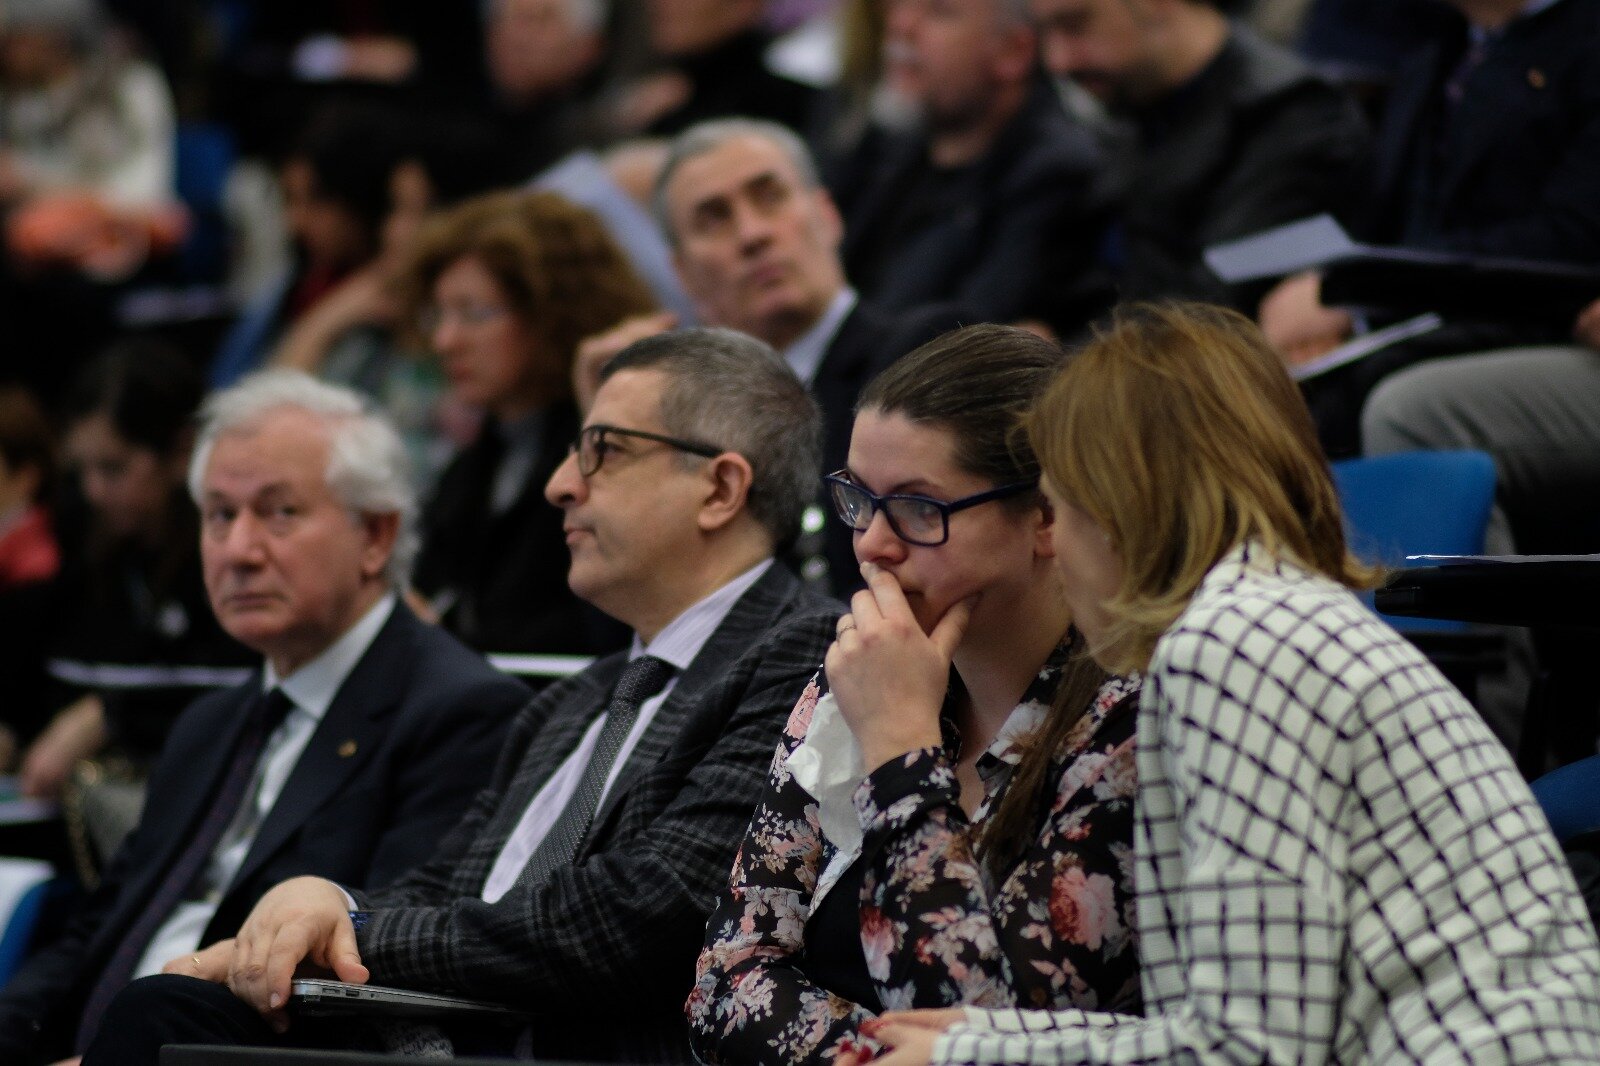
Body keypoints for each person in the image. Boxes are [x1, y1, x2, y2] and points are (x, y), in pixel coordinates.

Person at [862, 302, 1600, 1065]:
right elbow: (1232, 1028)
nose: (1060, 550)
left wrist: (971, 1057)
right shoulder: (1254, 622)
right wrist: (987, 1035)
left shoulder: (1229, 646)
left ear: (1120, 509)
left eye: (1060, 508)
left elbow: (1250, 1053)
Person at [82, 328, 841, 1065]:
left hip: (579, 1050)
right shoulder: (577, 699)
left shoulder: (804, 653)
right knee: (171, 1009)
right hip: (451, 1034)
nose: (560, 484)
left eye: (603, 451)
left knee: (161, 1020)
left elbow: (643, 914)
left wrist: (352, 931)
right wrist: (330, 902)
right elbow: (447, 885)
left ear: (720, 488)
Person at [0, 370, 525, 1064]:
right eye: (219, 515)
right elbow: (97, 933)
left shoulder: (460, 712)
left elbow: (387, 958)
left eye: (279, 513)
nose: (239, 551)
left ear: (375, 535)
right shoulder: (210, 723)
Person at [689, 325, 1142, 1065]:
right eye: (859, 499)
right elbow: (725, 980)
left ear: (1047, 516)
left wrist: (900, 752)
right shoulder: (860, 672)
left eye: (918, 509)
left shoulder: (1128, 722)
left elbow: (985, 1034)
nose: (872, 544)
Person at [584, 118, 960, 591]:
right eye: (714, 218)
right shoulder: (690, 431)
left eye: (770, 197)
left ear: (827, 216)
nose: (752, 234)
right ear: (683, 275)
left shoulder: (923, 353)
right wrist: (613, 439)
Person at [1257, 0, 1600, 452]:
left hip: (1520, 316)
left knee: (1362, 395)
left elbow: (1563, 242)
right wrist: (1335, 297)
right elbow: (1381, 218)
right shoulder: (1440, 51)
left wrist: (1357, 294)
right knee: (1241, 374)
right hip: (1418, 310)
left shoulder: (1584, 47)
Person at [402, 189, 658, 656]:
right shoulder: (478, 458)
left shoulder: (605, 445)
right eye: (437, 315)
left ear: (549, 312)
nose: (444, 340)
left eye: (473, 314)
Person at [1028, 0, 1367, 310]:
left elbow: (1205, 310)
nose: (1059, 61)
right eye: (1044, 32)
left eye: (1075, 24)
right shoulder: (1132, 107)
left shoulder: (1290, 116)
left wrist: (1061, 349)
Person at [24, 344, 252, 804]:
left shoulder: (231, 560)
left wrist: (110, 716)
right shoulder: (79, 541)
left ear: (181, 451)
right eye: (81, 470)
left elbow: (246, 698)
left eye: (113, 468)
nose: (93, 490)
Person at [835, 0, 1107, 331]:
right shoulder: (892, 148)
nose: (901, 25)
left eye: (940, 11)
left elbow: (966, 336)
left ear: (1013, 52)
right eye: (900, 3)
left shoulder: (1054, 174)